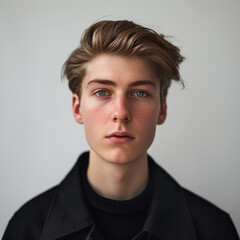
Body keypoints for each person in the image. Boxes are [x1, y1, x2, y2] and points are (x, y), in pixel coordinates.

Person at [3, 20, 239, 240]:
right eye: (102, 92)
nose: (121, 112)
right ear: (77, 109)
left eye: (140, 93)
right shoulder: (27, 228)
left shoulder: (214, 229)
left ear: (162, 109)